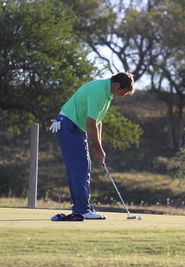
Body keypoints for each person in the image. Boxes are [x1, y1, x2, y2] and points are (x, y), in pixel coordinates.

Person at [49, 72, 135, 219]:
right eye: (123, 91)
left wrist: (98, 148)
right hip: (69, 125)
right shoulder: (100, 92)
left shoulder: (108, 94)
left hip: (75, 127)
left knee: (84, 166)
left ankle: (83, 207)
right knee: (79, 166)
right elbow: (90, 124)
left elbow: (98, 122)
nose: (122, 95)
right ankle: (82, 209)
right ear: (116, 85)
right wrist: (99, 150)